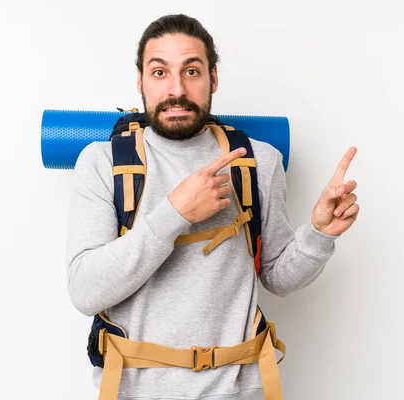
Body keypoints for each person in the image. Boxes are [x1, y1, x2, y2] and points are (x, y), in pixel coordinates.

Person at [64, 13, 359, 400]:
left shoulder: (258, 160)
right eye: (159, 72)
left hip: (239, 390)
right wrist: (175, 214)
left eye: (191, 71)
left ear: (213, 78)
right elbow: (85, 291)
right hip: (133, 391)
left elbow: (277, 277)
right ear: (139, 81)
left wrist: (319, 234)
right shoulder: (103, 162)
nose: (176, 89)